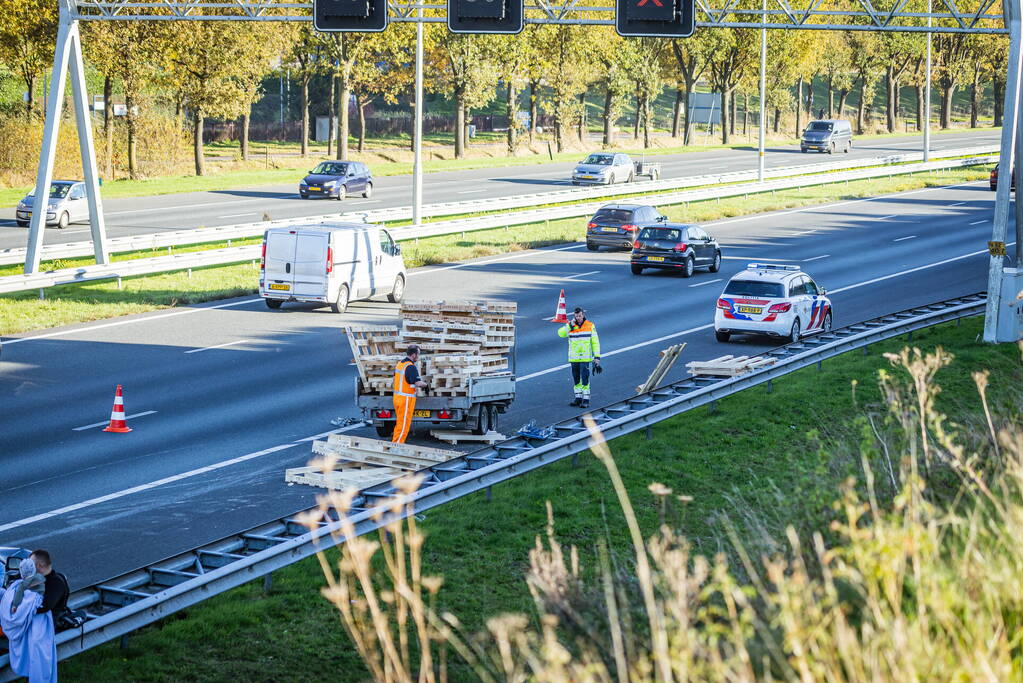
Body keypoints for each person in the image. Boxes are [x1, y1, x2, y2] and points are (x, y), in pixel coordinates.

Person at [0, 557, 57, 682]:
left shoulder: (18, 587)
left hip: (29, 622)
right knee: (38, 652)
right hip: (37, 623)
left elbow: (18, 593)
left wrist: (15, 605)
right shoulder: (40, 581)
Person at [557, 307, 601, 408]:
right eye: (576, 316)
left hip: (585, 358)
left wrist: (597, 357)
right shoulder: (571, 326)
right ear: (574, 316)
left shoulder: (590, 325)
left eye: (580, 316)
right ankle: (578, 398)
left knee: (585, 378)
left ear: (583, 315)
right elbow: (560, 334)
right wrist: (569, 326)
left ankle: (586, 399)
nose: (578, 318)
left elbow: (595, 342)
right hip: (574, 358)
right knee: (576, 378)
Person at [392, 344, 428, 444]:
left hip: (397, 398)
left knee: (399, 424)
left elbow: (395, 379)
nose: (418, 357)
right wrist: (426, 385)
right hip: (406, 400)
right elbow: (418, 383)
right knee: (404, 426)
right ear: (413, 355)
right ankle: (396, 447)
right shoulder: (410, 367)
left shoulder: (400, 364)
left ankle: (395, 443)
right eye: (418, 354)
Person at [31, 550, 69, 621]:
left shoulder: (56, 583)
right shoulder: (37, 579)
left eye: (31, 564)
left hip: (47, 625)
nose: (29, 567)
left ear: (39, 565)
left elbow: (43, 607)